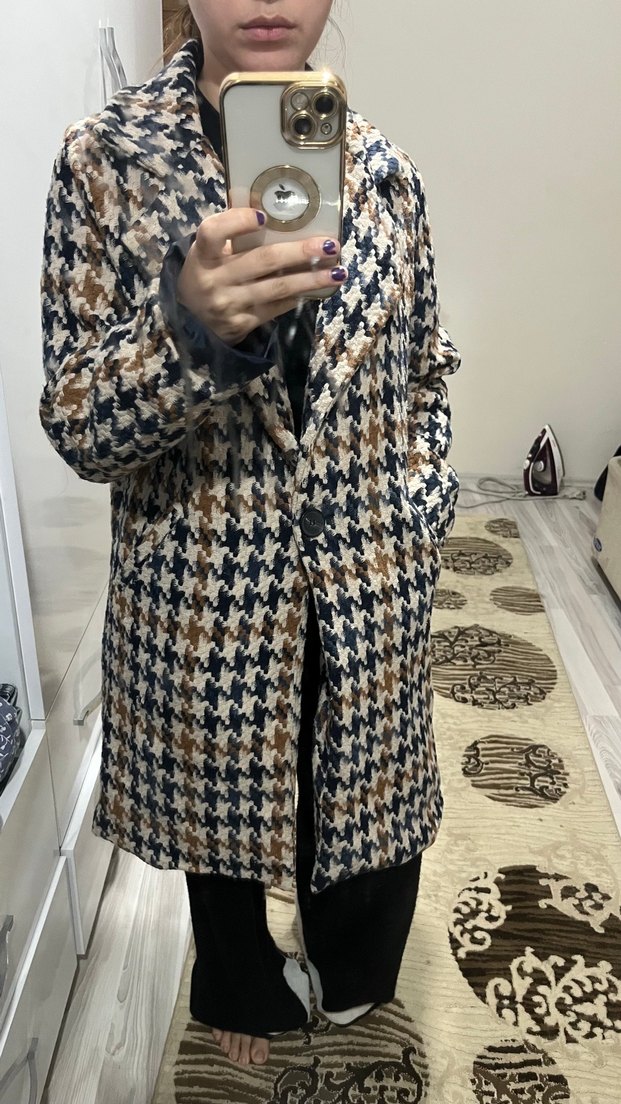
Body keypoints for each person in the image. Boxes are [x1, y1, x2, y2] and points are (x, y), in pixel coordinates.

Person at [39, 0, 461, 1071]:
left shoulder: (389, 175)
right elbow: (79, 423)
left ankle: (355, 970)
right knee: (224, 819)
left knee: (364, 797)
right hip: (203, 574)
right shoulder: (104, 162)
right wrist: (189, 330)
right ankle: (239, 981)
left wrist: (421, 505)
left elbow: (424, 371)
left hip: (368, 568)